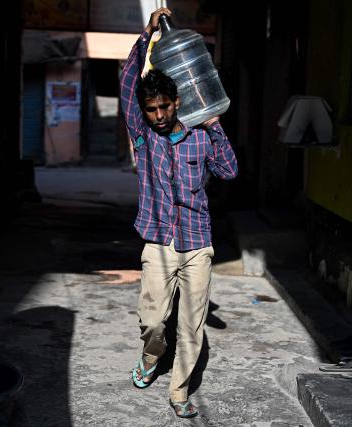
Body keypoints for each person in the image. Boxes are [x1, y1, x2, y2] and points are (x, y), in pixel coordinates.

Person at [119, 8, 238, 418]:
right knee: (153, 320)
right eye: (151, 109)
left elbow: (229, 170)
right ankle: (152, 357)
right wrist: (146, 37)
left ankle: (179, 392)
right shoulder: (143, 136)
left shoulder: (200, 136)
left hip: (197, 243)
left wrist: (215, 126)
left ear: (176, 103)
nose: (157, 115)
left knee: (192, 326)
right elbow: (127, 84)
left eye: (163, 108)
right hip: (159, 240)